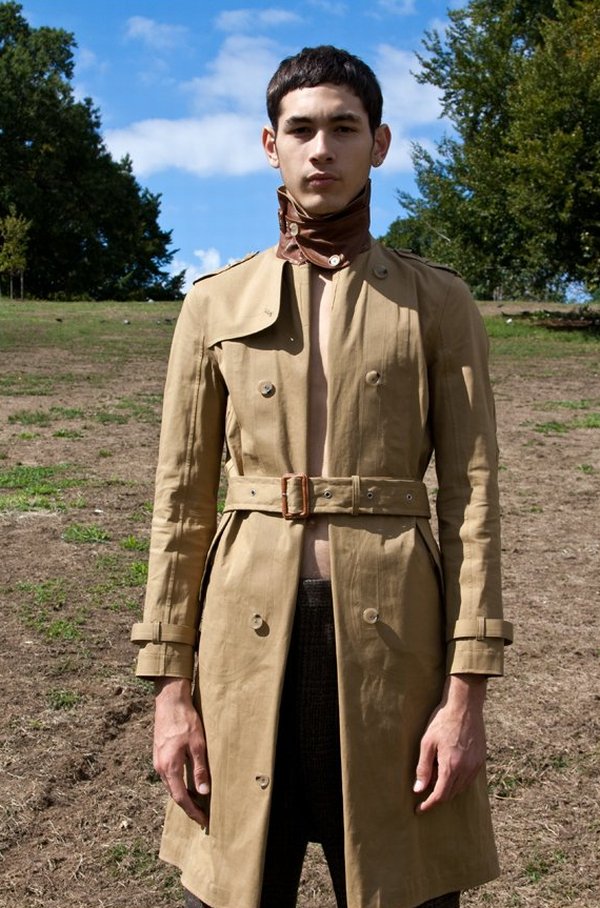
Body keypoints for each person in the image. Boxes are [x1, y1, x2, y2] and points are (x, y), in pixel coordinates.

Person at [131, 45, 513, 908]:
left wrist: (464, 698)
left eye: (344, 128)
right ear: (270, 145)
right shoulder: (213, 304)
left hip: (395, 657)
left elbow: (474, 500)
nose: (322, 150)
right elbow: (180, 503)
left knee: (402, 894)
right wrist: (171, 694)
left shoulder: (438, 302)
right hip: (240, 648)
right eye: (301, 129)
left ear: (379, 144)